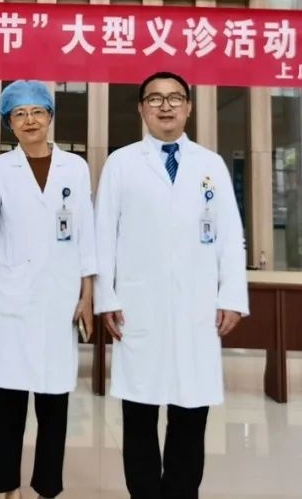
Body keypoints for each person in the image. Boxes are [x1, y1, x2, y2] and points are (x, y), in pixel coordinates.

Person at [94, 71, 248, 499]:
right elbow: (103, 235)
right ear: (142, 108)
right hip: (138, 307)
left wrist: (232, 296)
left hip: (197, 309)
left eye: (175, 98)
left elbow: (230, 236)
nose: (165, 106)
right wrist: (106, 296)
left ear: (189, 107)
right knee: (139, 416)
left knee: (190, 416)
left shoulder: (210, 164)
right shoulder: (122, 163)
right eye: (155, 99)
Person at [0, 80, 96, 499]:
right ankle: (6, 487)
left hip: (58, 298)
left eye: (37, 112)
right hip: (7, 297)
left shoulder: (75, 168)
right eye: (19, 114)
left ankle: (47, 487)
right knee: (4, 401)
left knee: (53, 403)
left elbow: (86, 233)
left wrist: (87, 294)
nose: (30, 120)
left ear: (50, 116)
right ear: (9, 123)